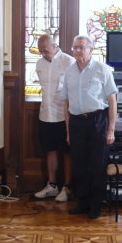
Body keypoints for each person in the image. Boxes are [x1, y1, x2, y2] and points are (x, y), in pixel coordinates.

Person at [60, 34, 118, 219]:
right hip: (76, 123)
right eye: (75, 47)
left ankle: (96, 206)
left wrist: (111, 130)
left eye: (81, 47)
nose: (77, 50)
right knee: (79, 166)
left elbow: (112, 101)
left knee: (97, 165)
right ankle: (82, 203)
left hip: (97, 122)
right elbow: (65, 103)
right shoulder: (69, 72)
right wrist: (68, 131)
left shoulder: (103, 70)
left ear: (91, 49)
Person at [32, 34, 75, 202]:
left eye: (47, 51)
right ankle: (52, 185)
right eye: (42, 52)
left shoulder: (69, 62)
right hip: (45, 114)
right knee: (49, 150)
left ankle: (67, 187)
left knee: (67, 152)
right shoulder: (39, 63)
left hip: (63, 115)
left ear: (55, 45)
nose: (44, 54)